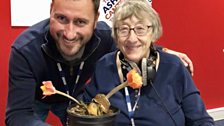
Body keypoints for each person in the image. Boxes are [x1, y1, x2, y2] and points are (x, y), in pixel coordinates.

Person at [5, 0, 193, 126]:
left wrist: (163, 52)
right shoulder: (25, 50)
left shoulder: (104, 36)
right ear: (50, 12)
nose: (70, 33)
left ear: (96, 20)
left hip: (77, 98)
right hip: (40, 99)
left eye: (80, 22)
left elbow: (131, 45)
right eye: (61, 18)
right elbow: (18, 115)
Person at [83, 0, 214, 126]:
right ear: (116, 36)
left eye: (140, 29)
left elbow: (201, 121)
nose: (132, 39)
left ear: (153, 33)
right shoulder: (104, 66)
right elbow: (85, 113)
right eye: (123, 29)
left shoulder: (174, 67)